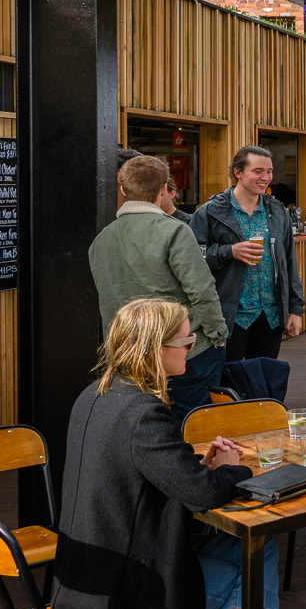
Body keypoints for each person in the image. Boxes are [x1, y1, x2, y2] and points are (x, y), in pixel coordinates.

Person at [52, 298, 277, 609]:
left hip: (86, 579)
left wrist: (197, 467)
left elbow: (135, 477)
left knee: (254, 546)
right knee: (254, 557)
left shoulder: (93, 396)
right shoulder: (144, 413)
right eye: (186, 342)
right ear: (156, 349)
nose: (191, 348)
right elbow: (205, 495)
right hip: (131, 598)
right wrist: (235, 470)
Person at [88, 155, 226, 419]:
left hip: (127, 355)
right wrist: (217, 335)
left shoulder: (101, 240)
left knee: (140, 424)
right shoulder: (174, 231)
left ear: (122, 189)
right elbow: (202, 290)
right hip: (183, 349)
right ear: (164, 189)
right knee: (194, 427)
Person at [191, 145, 305, 362]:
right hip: (228, 316)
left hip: (270, 316)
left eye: (269, 171)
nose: (266, 177)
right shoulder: (209, 212)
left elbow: (289, 262)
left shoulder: (278, 211)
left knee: (263, 381)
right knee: (228, 384)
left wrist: (296, 309)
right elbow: (194, 257)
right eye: (258, 171)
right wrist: (229, 251)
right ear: (238, 172)